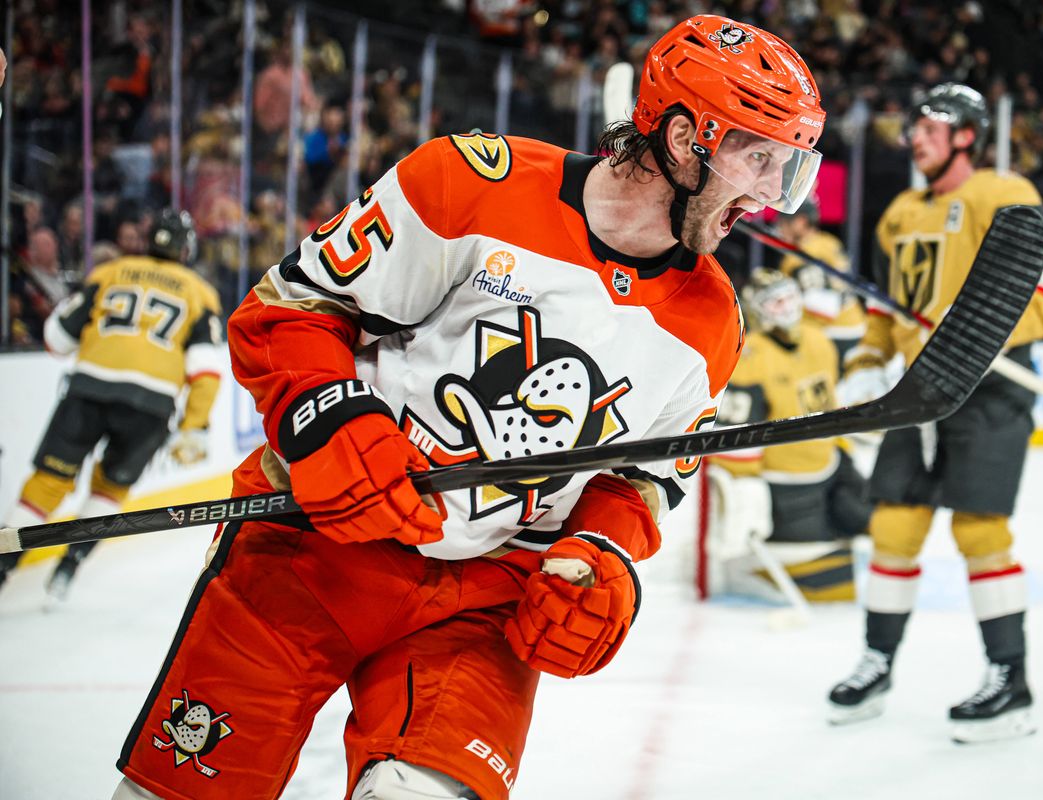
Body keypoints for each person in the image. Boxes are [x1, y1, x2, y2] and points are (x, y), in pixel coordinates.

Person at [111, 15, 825, 800]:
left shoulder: (712, 320)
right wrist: (334, 420)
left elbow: (638, 477)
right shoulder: (471, 184)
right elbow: (290, 308)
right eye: (760, 160)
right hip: (314, 549)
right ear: (689, 139)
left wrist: (599, 556)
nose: (771, 197)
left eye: (785, 168)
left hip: (484, 598)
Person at [826, 83, 1043, 743]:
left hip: (988, 392)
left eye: (933, 125)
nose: (917, 136)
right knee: (894, 530)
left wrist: (975, 342)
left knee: (980, 534)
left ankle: (1010, 683)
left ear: (968, 134)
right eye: (915, 126)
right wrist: (865, 364)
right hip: (920, 392)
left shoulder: (1005, 195)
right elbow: (884, 312)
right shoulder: (899, 213)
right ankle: (876, 666)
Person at [0, 210, 223, 600]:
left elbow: (56, 340)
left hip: (89, 390)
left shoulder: (110, 272)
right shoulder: (199, 292)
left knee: (47, 486)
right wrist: (194, 426)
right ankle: (69, 567)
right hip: (151, 406)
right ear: (187, 249)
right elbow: (205, 370)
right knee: (109, 490)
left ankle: (3, 568)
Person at [707, 267, 871, 603]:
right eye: (775, 302)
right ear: (758, 310)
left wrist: (837, 285)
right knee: (830, 584)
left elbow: (850, 345)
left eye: (790, 297)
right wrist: (742, 485)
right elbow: (735, 432)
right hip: (787, 483)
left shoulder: (817, 338)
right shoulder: (748, 356)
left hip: (831, 463)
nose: (787, 307)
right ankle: (752, 573)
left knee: (878, 524)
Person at [775, 202, 867, 360]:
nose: (780, 230)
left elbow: (823, 307)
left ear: (800, 222)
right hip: (854, 324)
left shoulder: (798, 256)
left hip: (832, 333)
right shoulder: (829, 241)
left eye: (783, 224)